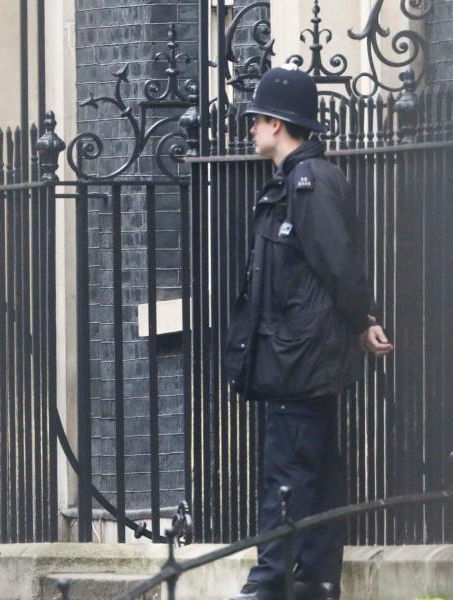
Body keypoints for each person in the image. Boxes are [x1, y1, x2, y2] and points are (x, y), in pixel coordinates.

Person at [222, 66, 395, 600]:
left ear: (277, 123)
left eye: (255, 120)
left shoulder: (309, 181)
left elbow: (338, 265)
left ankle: (269, 583)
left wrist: (362, 321)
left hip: (301, 359)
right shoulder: (293, 182)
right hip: (296, 356)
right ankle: (315, 581)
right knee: (315, 470)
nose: (250, 130)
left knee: (287, 471)